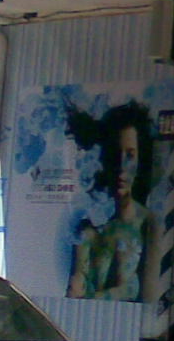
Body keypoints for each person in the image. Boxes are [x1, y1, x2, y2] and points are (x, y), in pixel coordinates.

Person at [64, 100, 158, 301]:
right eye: (115, 154)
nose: (122, 165)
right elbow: (75, 290)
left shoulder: (149, 225)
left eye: (130, 155)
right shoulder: (92, 229)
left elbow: (146, 295)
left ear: (141, 159)